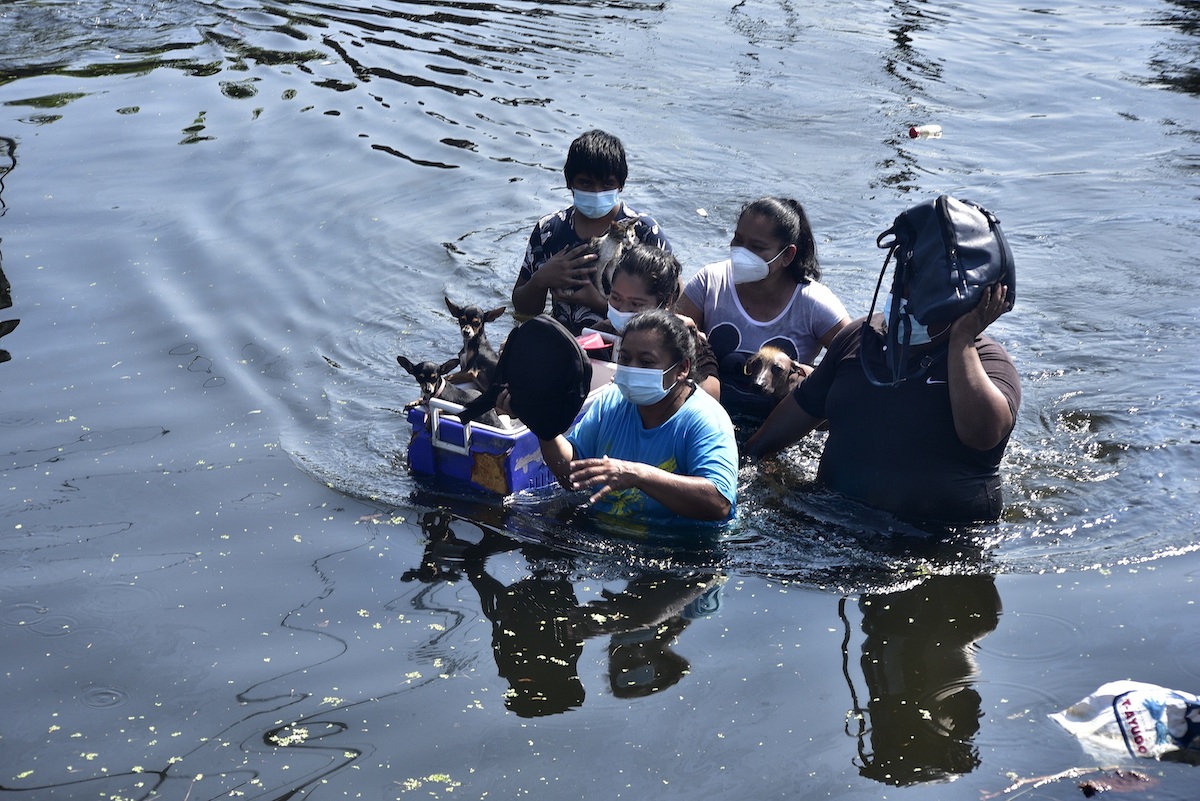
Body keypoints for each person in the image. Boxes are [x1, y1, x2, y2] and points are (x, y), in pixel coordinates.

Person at [742, 252, 1020, 525]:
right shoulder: (859, 339)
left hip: (936, 541)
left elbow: (983, 435)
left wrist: (962, 339)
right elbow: (766, 441)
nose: (905, 300)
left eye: (923, 295)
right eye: (900, 285)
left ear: (966, 304)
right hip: (832, 518)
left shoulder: (990, 364)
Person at [536, 309, 737, 523]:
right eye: (625, 358)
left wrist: (637, 475)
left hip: (680, 549)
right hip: (607, 532)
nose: (632, 369)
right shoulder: (611, 401)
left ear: (682, 368)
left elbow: (719, 503)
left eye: (646, 362)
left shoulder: (705, 420)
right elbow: (573, 475)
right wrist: (543, 426)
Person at [676, 196, 850, 418]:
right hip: (711, 415)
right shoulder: (710, 282)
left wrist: (806, 378)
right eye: (738, 240)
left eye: (757, 247)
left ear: (787, 255)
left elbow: (856, 366)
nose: (742, 252)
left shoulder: (814, 304)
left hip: (776, 424)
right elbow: (666, 351)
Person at [512, 129, 672, 335]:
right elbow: (523, 309)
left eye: (607, 184)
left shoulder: (644, 231)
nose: (597, 193)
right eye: (585, 183)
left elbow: (672, 309)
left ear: (621, 185)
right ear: (570, 183)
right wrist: (541, 279)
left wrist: (598, 302)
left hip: (628, 347)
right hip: (565, 342)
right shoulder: (549, 230)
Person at [591, 242, 721, 400]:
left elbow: (711, 395)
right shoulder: (598, 334)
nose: (623, 310)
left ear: (666, 302)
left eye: (636, 304)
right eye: (616, 298)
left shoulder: (687, 342)